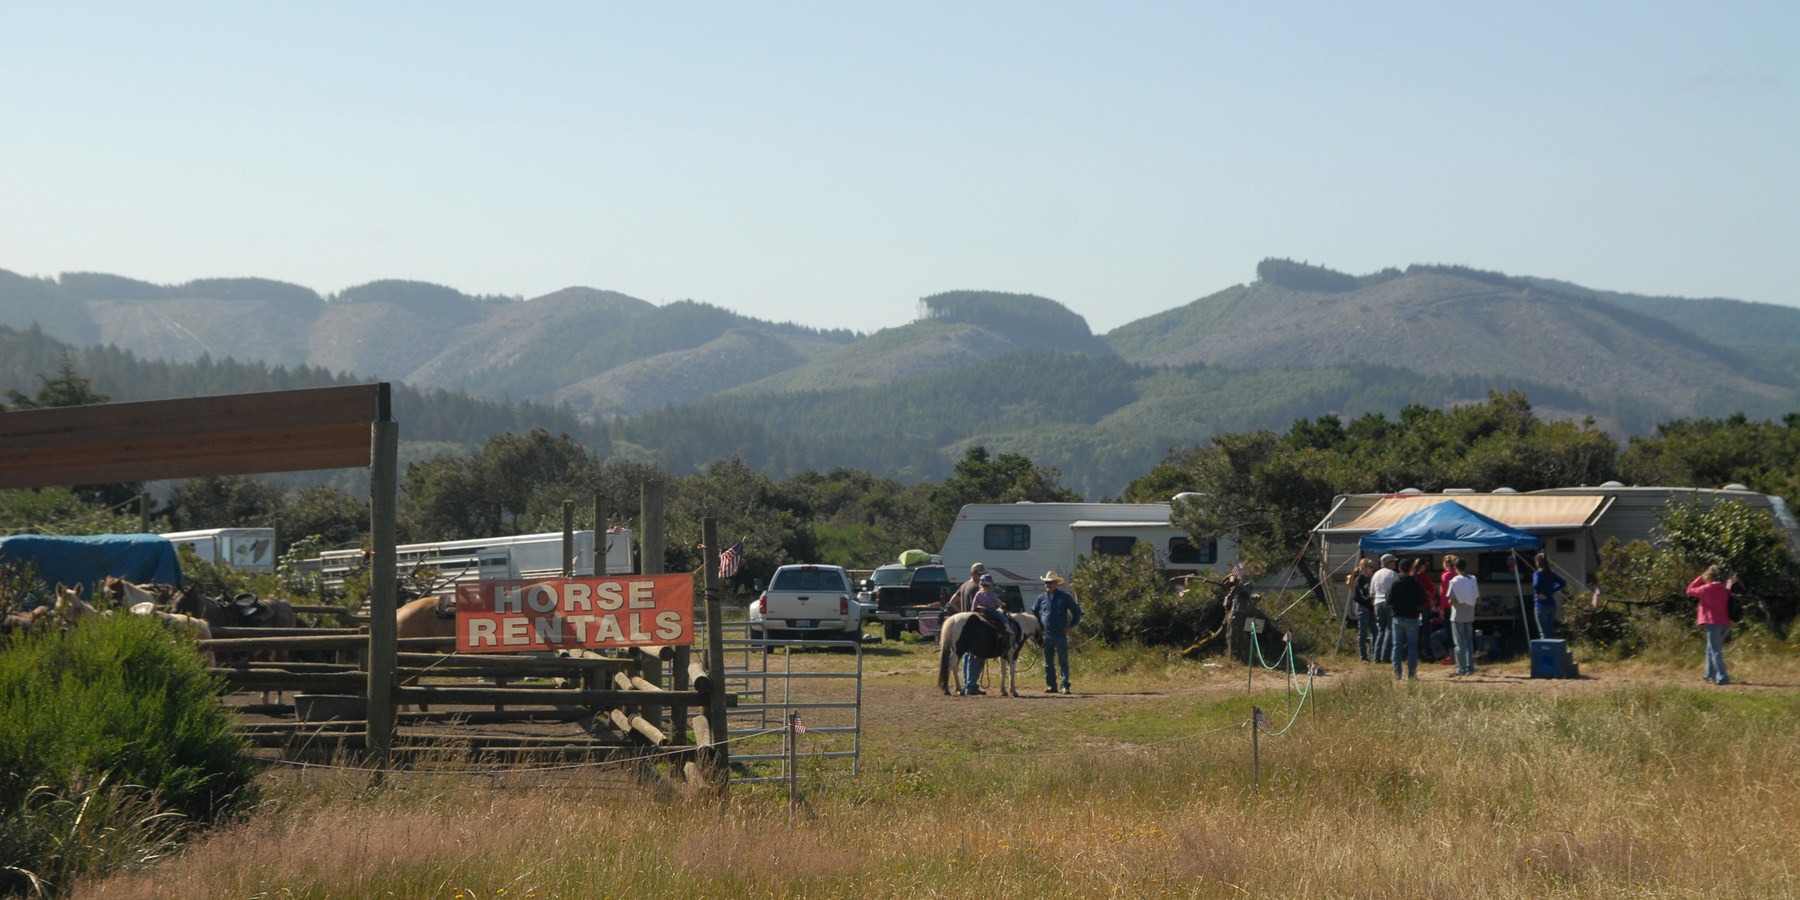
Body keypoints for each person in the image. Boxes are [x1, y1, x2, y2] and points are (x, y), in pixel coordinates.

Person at [1031, 570, 1082, 694]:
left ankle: (1065, 685)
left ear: (1056, 583)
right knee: (1048, 662)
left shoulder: (1064, 597)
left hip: (1060, 633)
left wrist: (1071, 626)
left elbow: (1077, 611)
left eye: (1050, 582)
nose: (1048, 585)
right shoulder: (1041, 598)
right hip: (1046, 634)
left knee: (1063, 661)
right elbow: (1034, 612)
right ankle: (1051, 685)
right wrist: (1038, 628)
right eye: (1046, 583)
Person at [1686, 565, 1736, 685]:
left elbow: (1689, 590)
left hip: (1713, 624)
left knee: (1715, 651)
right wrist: (1729, 585)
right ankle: (1709, 675)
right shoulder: (1724, 590)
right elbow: (1728, 595)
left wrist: (1699, 578)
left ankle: (1723, 677)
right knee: (1710, 649)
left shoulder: (1706, 589)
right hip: (1725, 624)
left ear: (1708, 578)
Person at [961, 574, 1005, 695]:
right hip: (989, 612)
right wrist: (1003, 604)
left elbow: (974, 607)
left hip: (977, 612)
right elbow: (998, 603)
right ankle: (971, 685)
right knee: (1003, 619)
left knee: (967, 656)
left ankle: (966, 683)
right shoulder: (991, 594)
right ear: (991, 584)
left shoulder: (978, 594)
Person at [1387, 558, 1427, 680]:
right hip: (1412, 617)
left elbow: (1389, 601)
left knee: (1397, 646)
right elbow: (1423, 600)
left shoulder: (1395, 583)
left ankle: (1397, 673)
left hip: (1398, 617)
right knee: (1412, 646)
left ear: (1399, 569)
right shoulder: (1415, 583)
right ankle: (1412, 673)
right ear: (1410, 569)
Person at [1446, 557, 1480, 677]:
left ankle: (1461, 668)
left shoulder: (1454, 581)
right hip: (1469, 614)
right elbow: (1477, 598)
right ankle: (1470, 667)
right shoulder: (1472, 579)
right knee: (1469, 642)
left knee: (1459, 643)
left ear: (1456, 568)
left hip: (1457, 615)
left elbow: (1452, 600)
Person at [1368, 554, 1400, 664]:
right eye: (1393, 562)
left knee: (1381, 630)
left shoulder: (1376, 574)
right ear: (1389, 563)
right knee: (1390, 629)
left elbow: (1372, 592)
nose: (1395, 564)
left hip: (1378, 603)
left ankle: (1376, 656)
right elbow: (1397, 590)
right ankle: (1385, 656)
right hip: (1389, 603)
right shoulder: (1393, 574)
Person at [1347, 559, 1376, 661]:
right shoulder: (1359, 580)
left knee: (1374, 631)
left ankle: (1374, 654)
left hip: (1371, 607)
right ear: (1365, 568)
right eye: (1370, 567)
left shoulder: (1371, 579)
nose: (1372, 569)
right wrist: (1369, 600)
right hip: (1363, 607)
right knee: (1363, 632)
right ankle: (1363, 656)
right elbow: (1359, 595)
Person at [1531, 554, 1565, 640]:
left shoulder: (1538, 573)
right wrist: (1552, 591)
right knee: (1551, 632)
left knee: (1544, 633)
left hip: (1541, 605)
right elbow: (1563, 583)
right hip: (1551, 605)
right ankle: (1553, 647)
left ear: (1538, 562)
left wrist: (1539, 593)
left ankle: (1546, 648)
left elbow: (1536, 585)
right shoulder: (1551, 574)